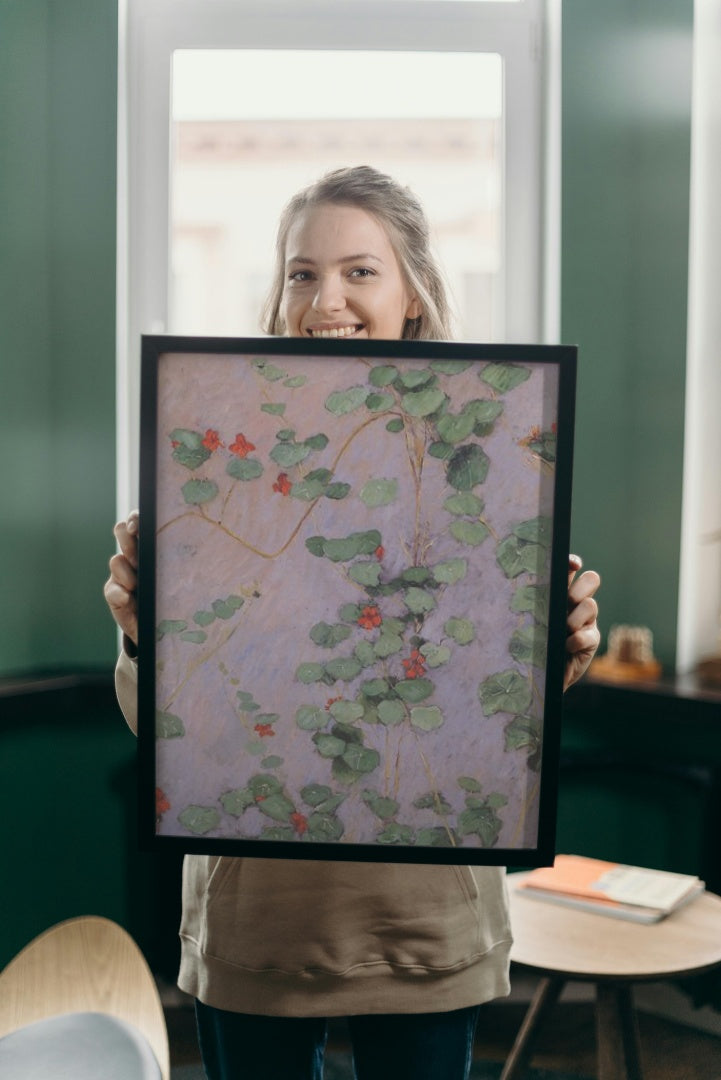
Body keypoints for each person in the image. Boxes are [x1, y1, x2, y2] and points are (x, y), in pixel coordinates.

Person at [105, 166, 601, 1080]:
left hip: (423, 916)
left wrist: (554, 650)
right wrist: (145, 637)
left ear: (412, 292)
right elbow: (172, 728)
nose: (324, 298)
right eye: (301, 272)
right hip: (258, 918)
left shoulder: (488, 454)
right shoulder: (216, 461)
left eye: (358, 271)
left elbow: (489, 719)